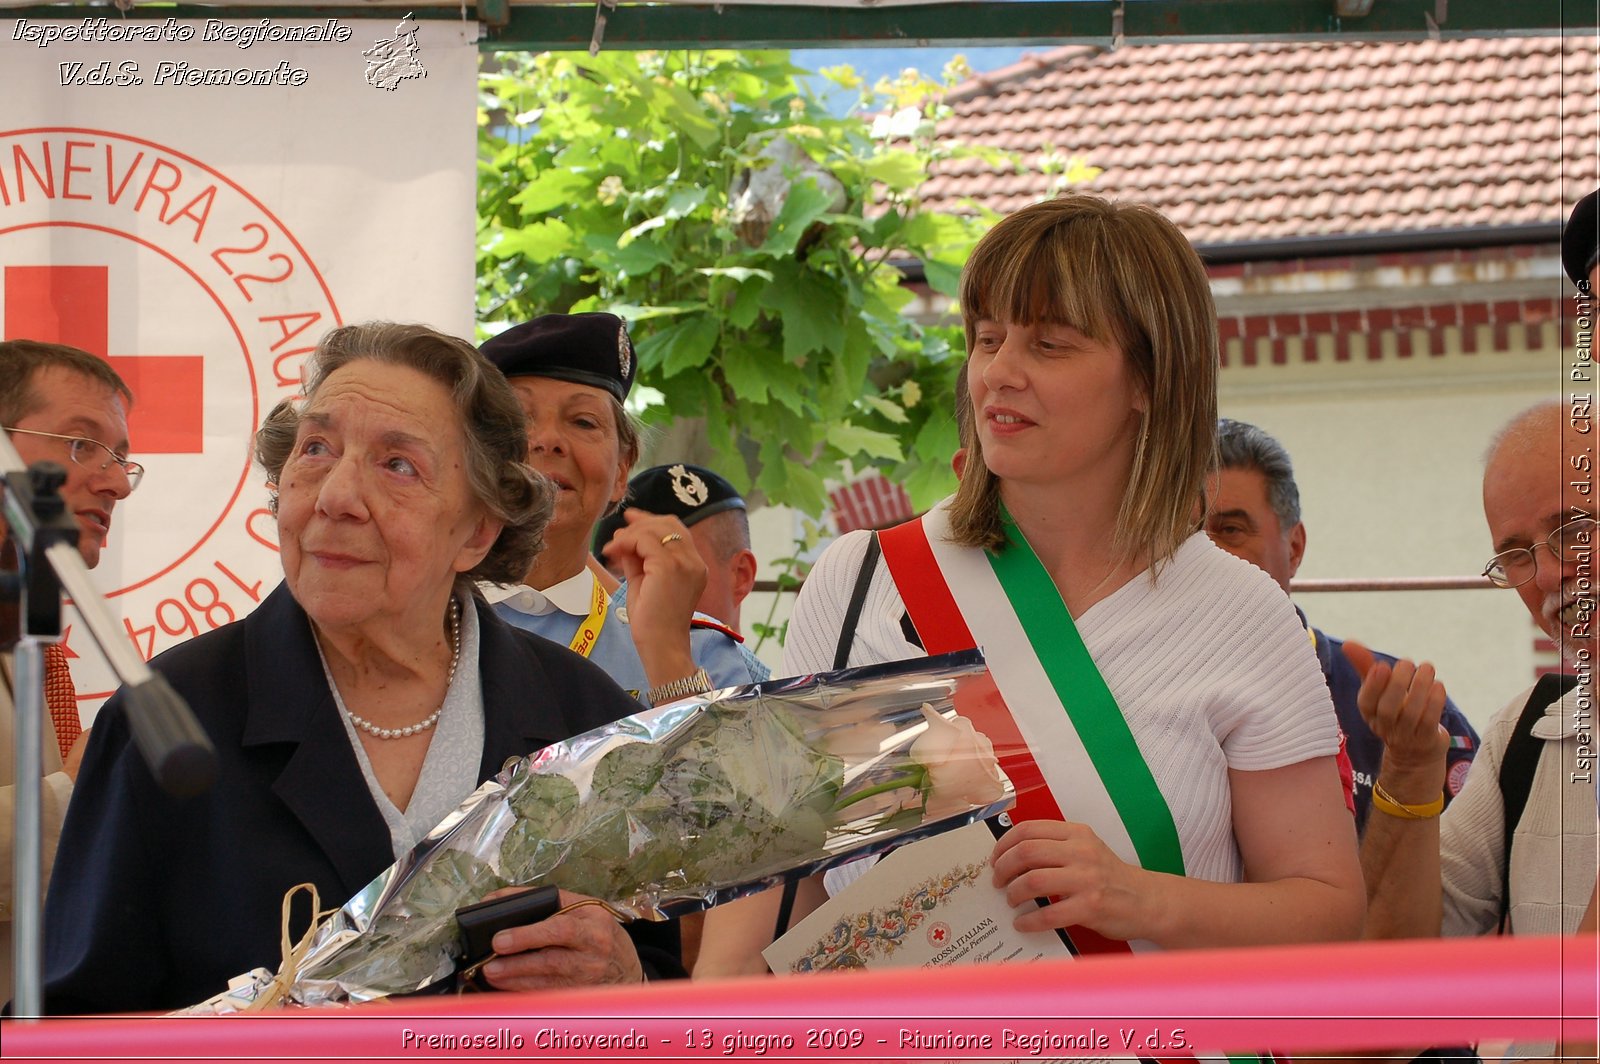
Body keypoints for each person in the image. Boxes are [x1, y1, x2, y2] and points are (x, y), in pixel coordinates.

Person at [696, 194, 1364, 977]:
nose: (999, 373)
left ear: (1150, 378)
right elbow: (771, 890)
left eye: (1049, 344)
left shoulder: (1243, 613)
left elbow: (1326, 909)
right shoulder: (861, 581)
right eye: (987, 339)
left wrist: (1138, 899)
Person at [39, 323, 682, 1014]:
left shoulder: (582, 714)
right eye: (316, 449)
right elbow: (78, 1024)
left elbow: (657, 982)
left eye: (397, 465)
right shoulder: (169, 717)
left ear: (476, 530)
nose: (335, 496)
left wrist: (623, 978)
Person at [1206, 418, 1480, 832]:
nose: (1202, 555)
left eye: (1229, 530)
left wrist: (1408, 771)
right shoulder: (1120, 698)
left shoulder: (1404, 714)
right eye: (1182, 535)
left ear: (1294, 547)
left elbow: (1467, 891)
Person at [479, 314, 760, 706]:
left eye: (583, 421)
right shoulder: (410, 615)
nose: (548, 440)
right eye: (519, 419)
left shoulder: (702, 648)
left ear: (621, 470)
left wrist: (668, 655)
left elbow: (728, 771)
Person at [0, 340, 138, 1008]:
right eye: (81, 446)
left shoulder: (29, 632)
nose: (112, 482)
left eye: (120, 460)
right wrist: (84, 789)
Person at [593, 462, 769, 683]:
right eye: (620, 580)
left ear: (741, 576)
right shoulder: (585, 681)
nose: (640, 596)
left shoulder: (789, 707)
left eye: (670, 567)